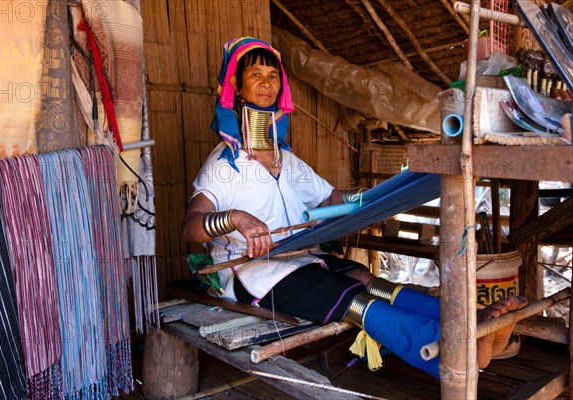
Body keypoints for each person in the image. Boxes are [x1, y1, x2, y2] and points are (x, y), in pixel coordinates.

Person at [182, 37, 528, 378]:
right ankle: (455, 350)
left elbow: (332, 199)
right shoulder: (225, 165)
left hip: (297, 258)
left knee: (366, 278)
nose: (266, 83)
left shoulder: (289, 162)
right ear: (236, 87)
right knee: (346, 296)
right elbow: (191, 226)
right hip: (250, 272)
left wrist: (376, 200)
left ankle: (475, 324)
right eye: (255, 74)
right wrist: (236, 218)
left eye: (273, 75)